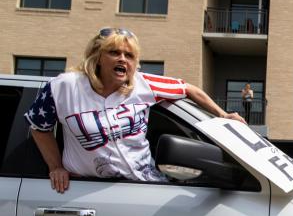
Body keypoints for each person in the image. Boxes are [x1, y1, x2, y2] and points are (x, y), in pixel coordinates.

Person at [25, 27, 245, 193]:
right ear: (97, 57)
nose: (123, 59)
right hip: (87, 190)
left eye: (129, 55)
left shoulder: (144, 84)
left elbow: (188, 89)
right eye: (114, 52)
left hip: (144, 184)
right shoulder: (63, 86)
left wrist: (223, 115)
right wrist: (56, 167)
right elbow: (38, 128)